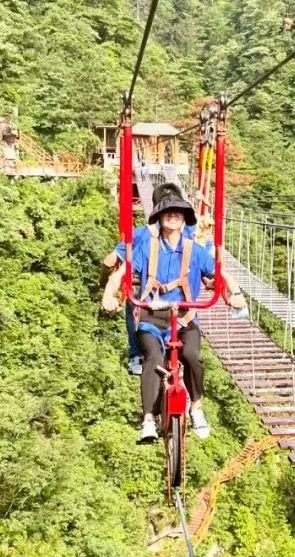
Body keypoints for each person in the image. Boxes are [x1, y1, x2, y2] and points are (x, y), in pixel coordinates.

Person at [102, 185, 245, 443]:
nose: (172, 216)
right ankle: (148, 420)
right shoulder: (147, 245)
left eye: (178, 212)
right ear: (159, 216)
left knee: (192, 356)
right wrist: (108, 294)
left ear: (184, 218)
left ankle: (196, 408)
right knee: (154, 359)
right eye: (167, 212)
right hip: (153, 317)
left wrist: (235, 293)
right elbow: (121, 273)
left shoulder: (194, 249)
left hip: (184, 317)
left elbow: (220, 272)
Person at [101, 182, 211, 376]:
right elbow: (204, 256)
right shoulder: (188, 232)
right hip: (182, 309)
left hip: (153, 307)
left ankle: (136, 354)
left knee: (133, 297)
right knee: (187, 307)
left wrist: (105, 286)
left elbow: (110, 261)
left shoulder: (140, 234)